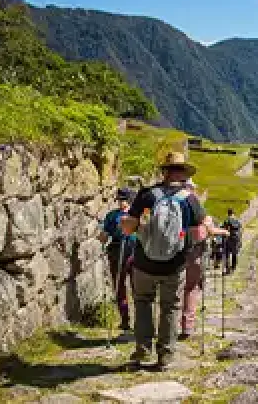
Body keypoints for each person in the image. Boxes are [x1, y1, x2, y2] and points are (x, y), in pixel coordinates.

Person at [121, 152, 206, 369]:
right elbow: (200, 232)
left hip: (144, 262)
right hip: (175, 264)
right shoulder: (190, 200)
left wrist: (131, 226)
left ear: (164, 172)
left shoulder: (146, 195)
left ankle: (142, 349)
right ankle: (165, 355)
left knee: (143, 303)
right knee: (170, 307)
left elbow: (130, 225)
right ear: (184, 174)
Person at [179, 180, 228, 340]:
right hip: (193, 250)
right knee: (191, 287)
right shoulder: (194, 204)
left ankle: (167, 325)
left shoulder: (167, 199)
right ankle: (187, 326)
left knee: (172, 287)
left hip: (170, 250)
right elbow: (210, 230)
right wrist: (224, 232)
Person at [98, 188, 136, 331]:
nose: (121, 203)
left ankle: (141, 320)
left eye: (124, 200)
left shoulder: (136, 214)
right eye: (119, 200)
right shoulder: (112, 215)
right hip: (116, 250)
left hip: (134, 251)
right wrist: (102, 235)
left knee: (137, 287)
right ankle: (124, 319)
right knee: (119, 286)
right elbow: (105, 233)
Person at [222, 208, 243, 275]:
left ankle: (228, 269)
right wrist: (240, 240)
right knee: (234, 254)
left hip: (229, 239)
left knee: (227, 254)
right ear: (233, 213)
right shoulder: (237, 220)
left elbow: (225, 230)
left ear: (228, 213)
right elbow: (240, 230)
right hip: (236, 239)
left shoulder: (227, 220)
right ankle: (233, 269)